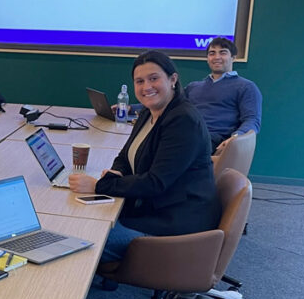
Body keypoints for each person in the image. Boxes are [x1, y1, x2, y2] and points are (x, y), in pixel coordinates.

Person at [69, 50, 220, 263]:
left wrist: (100, 186)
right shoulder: (149, 112)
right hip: (151, 210)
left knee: (83, 239)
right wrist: (117, 173)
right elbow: (125, 155)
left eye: (154, 78)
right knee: (83, 222)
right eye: (139, 81)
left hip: (174, 227)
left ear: (173, 80)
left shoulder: (183, 121)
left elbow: (156, 183)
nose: (146, 87)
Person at [184, 36, 262, 156]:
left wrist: (235, 137)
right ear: (207, 59)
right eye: (212, 53)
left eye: (223, 53)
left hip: (214, 139)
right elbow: (168, 104)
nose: (216, 57)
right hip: (185, 134)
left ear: (233, 58)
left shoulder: (246, 87)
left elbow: (252, 120)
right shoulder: (193, 87)